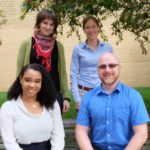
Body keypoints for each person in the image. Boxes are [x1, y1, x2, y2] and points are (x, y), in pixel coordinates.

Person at [76, 52, 150, 150]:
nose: (107, 70)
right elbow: (81, 130)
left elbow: (141, 133)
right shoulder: (88, 98)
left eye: (112, 65)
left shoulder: (134, 97)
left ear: (119, 67)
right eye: (102, 66)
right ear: (97, 70)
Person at [0, 64, 64, 150]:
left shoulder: (52, 104)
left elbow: (58, 134)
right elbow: (9, 143)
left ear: (42, 83)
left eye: (37, 81)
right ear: (20, 79)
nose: (32, 85)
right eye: (27, 80)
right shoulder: (8, 108)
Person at [17, 9, 70, 112]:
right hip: (31, 91)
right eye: (45, 23)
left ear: (54, 27)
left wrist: (66, 97)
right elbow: (19, 70)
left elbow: (62, 73)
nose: (48, 27)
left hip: (53, 92)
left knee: (53, 125)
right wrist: (19, 91)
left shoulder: (59, 46)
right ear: (39, 24)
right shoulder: (27, 43)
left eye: (51, 24)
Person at [70, 16, 113, 111]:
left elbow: (111, 72)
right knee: (85, 125)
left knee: (103, 124)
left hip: (103, 92)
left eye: (94, 26)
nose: (91, 30)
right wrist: (77, 100)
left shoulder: (108, 48)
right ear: (84, 30)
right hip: (83, 93)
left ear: (98, 28)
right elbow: (73, 74)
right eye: (87, 27)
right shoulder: (78, 49)